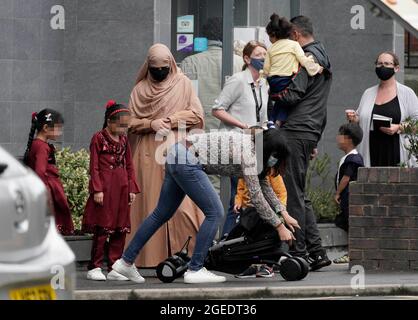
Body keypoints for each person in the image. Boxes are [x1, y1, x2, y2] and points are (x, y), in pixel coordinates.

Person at [112, 129, 300, 284]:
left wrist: (283, 213)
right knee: (215, 212)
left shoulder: (255, 149)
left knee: (161, 213)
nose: (275, 161)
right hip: (188, 159)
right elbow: (257, 197)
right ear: (267, 150)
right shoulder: (249, 154)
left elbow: (264, 186)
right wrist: (279, 226)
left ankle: (125, 262)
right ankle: (195, 269)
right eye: (275, 156)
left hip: (177, 153)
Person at [127, 44, 205, 268]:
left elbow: (196, 116)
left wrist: (171, 120)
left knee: (184, 207)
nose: (160, 72)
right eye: (155, 68)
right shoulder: (139, 90)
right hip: (147, 155)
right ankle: (147, 255)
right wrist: (149, 123)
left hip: (179, 149)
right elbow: (129, 123)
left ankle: (187, 251)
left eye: (164, 67)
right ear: (148, 67)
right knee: (150, 204)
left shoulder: (183, 84)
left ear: (170, 64)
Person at [272, 15, 332, 270]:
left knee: (291, 193)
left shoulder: (307, 57)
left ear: (295, 34)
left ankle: (299, 252)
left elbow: (294, 93)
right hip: (308, 131)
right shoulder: (323, 55)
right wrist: (315, 137)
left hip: (296, 130)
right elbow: (320, 104)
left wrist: (273, 93)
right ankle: (317, 252)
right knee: (299, 192)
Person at [212, 41, 269, 236]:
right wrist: (242, 125)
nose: (263, 57)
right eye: (258, 54)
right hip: (236, 143)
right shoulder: (238, 80)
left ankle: (238, 241)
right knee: (239, 196)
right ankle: (228, 241)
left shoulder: (263, 84)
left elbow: (262, 117)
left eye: (265, 54)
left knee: (249, 197)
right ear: (247, 58)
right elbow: (217, 109)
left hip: (254, 145)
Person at [180, 17, 243, 194]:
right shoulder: (239, 62)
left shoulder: (190, 62)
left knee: (208, 180)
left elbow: (187, 100)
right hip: (233, 130)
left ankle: (212, 218)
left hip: (202, 129)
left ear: (205, 36)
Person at [82, 100, 141, 281]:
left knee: (119, 228)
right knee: (103, 227)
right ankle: (95, 266)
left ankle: (115, 266)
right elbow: (94, 167)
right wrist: (97, 190)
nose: (124, 129)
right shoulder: (98, 138)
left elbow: (129, 165)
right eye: (121, 125)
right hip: (105, 190)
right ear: (109, 121)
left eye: (126, 126)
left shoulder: (124, 140)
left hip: (122, 188)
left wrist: (131, 187)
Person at [346, 51, 418, 167]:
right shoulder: (368, 93)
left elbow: (417, 124)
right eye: (379, 64)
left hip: (397, 154)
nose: (382, 67)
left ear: (396, 68)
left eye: (387, 63)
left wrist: (398, 127)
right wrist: (354, 118)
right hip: (371, 153)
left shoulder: (407, 93)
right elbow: (360, 119)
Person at [263, 13, 323, 127]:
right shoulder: (294, 45)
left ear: (273, 35)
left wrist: (265, 79)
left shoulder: (270, 48)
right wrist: (317, 68)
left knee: (279, 101)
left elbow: (266, 69)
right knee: (285, 101)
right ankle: (278, 120)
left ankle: (271, 120)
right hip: (285, 80)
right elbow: (304, 61)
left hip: (273, 81)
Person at [24, 109, 74, 235]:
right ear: (46, 127)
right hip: (49, 189)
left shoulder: (36, 144)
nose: (60, 132)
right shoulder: (42, 147)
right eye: (57, 128)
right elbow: (40, 171)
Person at [233, 164, 287, 278]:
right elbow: (240, 189)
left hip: (267, 211)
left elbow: (281, 192)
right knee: (250, 239)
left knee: (266, 238)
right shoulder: (246, 171)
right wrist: (238, 202)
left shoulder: (271, 172)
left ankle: (268, 266)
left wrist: (280, 210)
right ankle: (251, 265)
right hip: (249, 210)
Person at [333, 123, 364, 264]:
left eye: (340, 135)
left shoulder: (353, 159)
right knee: (347, 223)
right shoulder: (348, 157)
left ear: (349, 139)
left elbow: (346, 178)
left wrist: (337, 193)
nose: (337, 138)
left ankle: (351, 253)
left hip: (349, 197)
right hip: (347, 198)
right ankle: (351, 251)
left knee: (350, 224)